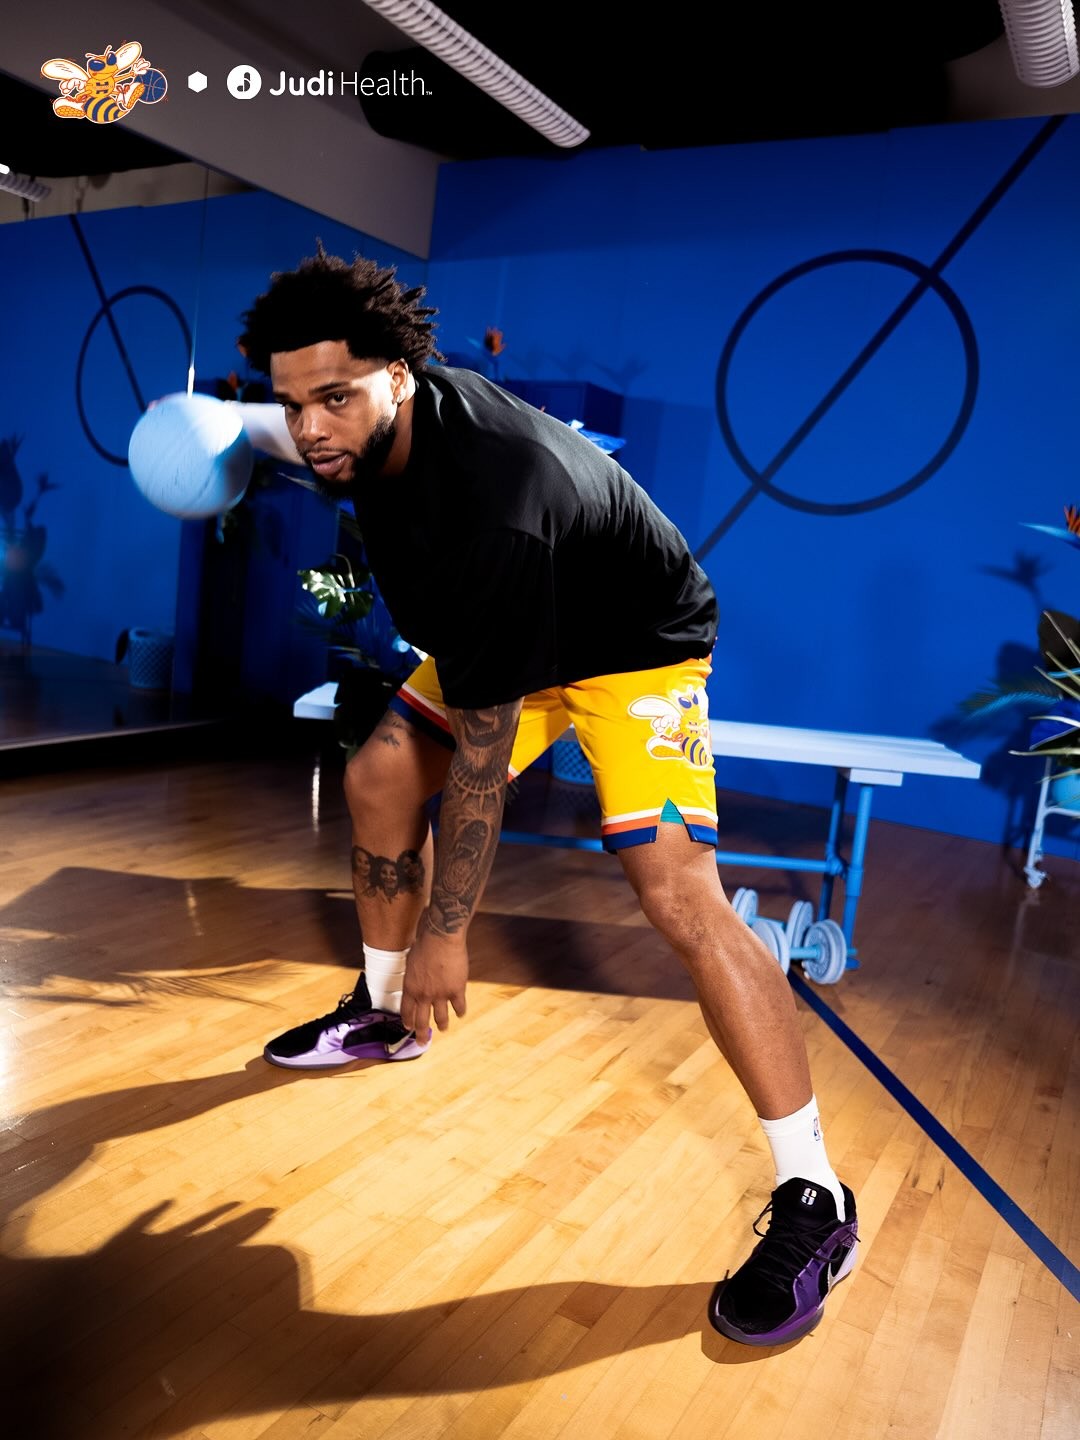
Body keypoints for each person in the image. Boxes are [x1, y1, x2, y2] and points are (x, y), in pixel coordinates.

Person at [234, 249, 858, 1347]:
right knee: (380, 775)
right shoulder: (361, 436)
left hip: (632, 644)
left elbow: (483, 766)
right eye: (292, 404)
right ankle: (383, 1012)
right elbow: (301, 438)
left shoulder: (496, 495)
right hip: (515, 621)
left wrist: (447, 936)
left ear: (398, 375)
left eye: (333, 398)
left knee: (679, 896)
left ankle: (816, 1195)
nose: (311, 428)